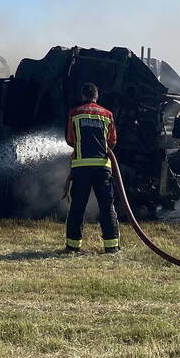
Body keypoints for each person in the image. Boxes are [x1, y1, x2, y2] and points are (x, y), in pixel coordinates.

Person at [63, 82, 120, 254]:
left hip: (81, 167)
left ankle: (73, 247)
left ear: (82, 96)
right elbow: (112, 141)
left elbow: (70, 140)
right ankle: (112, 247)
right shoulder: (107, 114)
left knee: (77, 207)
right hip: (102, 167)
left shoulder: (74, 113)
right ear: (97, 96)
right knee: (107, 206)